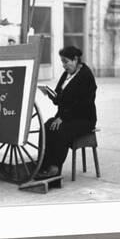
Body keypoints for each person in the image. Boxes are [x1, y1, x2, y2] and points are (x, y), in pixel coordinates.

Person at [37, 46, 97, 179]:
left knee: (60, 130)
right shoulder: (67, 74)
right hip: (66, 116)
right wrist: (52, 95)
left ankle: (55, 168)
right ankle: (43, 164)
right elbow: (60, 97)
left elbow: (83, 104)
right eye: (62, 62)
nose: (64, 66)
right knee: (46, 127)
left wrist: (63, 117)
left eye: (66, 62)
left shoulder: (86, 76)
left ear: (75, 59)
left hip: (83, 118)